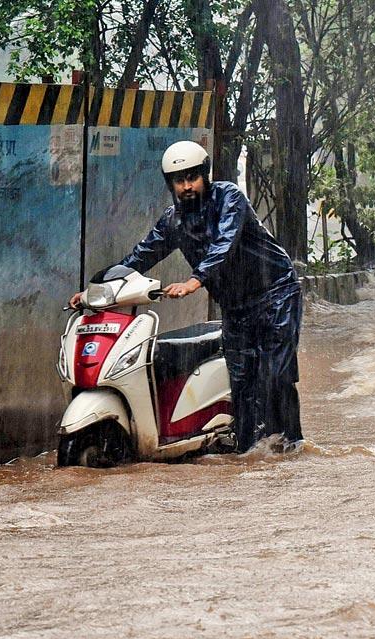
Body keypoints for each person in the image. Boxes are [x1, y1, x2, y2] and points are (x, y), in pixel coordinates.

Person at [71, 140, 303, 453]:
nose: (187, 186)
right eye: (179, 181)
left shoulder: (229, 198)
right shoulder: (173, 221)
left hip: (275, 293)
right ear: (171, 185)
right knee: (242, 380)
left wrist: (195, 280)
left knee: (274, 376)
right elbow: (140, 257)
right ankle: (248, 453)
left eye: (192, 178)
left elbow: (225, 244)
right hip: (236, 306)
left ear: (205, 176)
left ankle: (292, 444)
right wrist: (94, 289)